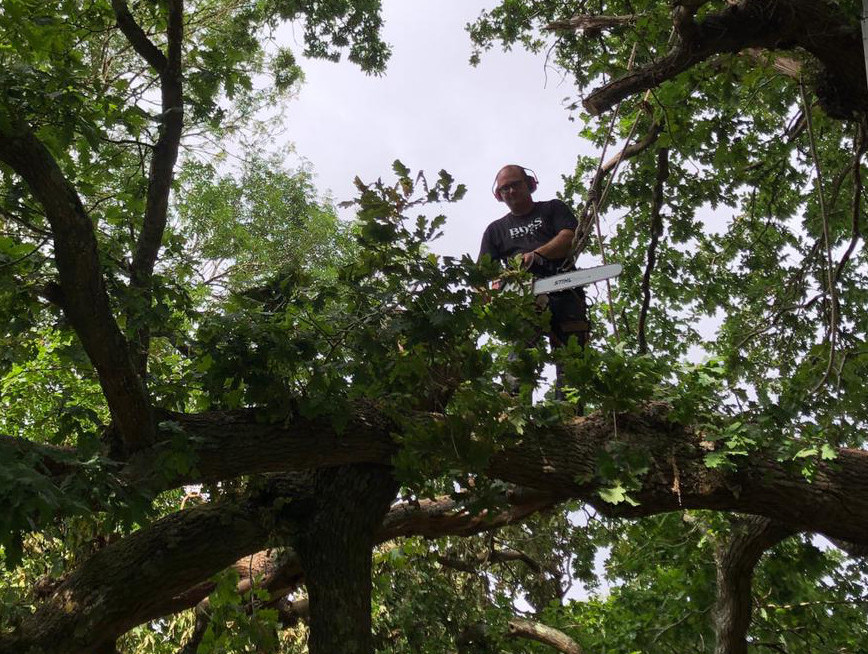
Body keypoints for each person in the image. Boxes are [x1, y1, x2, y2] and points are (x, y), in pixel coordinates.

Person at [478, 164, 589, 400]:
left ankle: (569, 413)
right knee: (521, 352)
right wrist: (492, 289)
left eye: (515, 184)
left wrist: (537, 255)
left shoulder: (552, 209)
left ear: (529, 184)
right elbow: (482, 274)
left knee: (571, 359)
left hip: (564, 287)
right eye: (504, 188)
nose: (510, 191)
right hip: (523, 298)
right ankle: (513, 407)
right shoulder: (495, 231)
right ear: (498, 195)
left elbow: (569, 237)